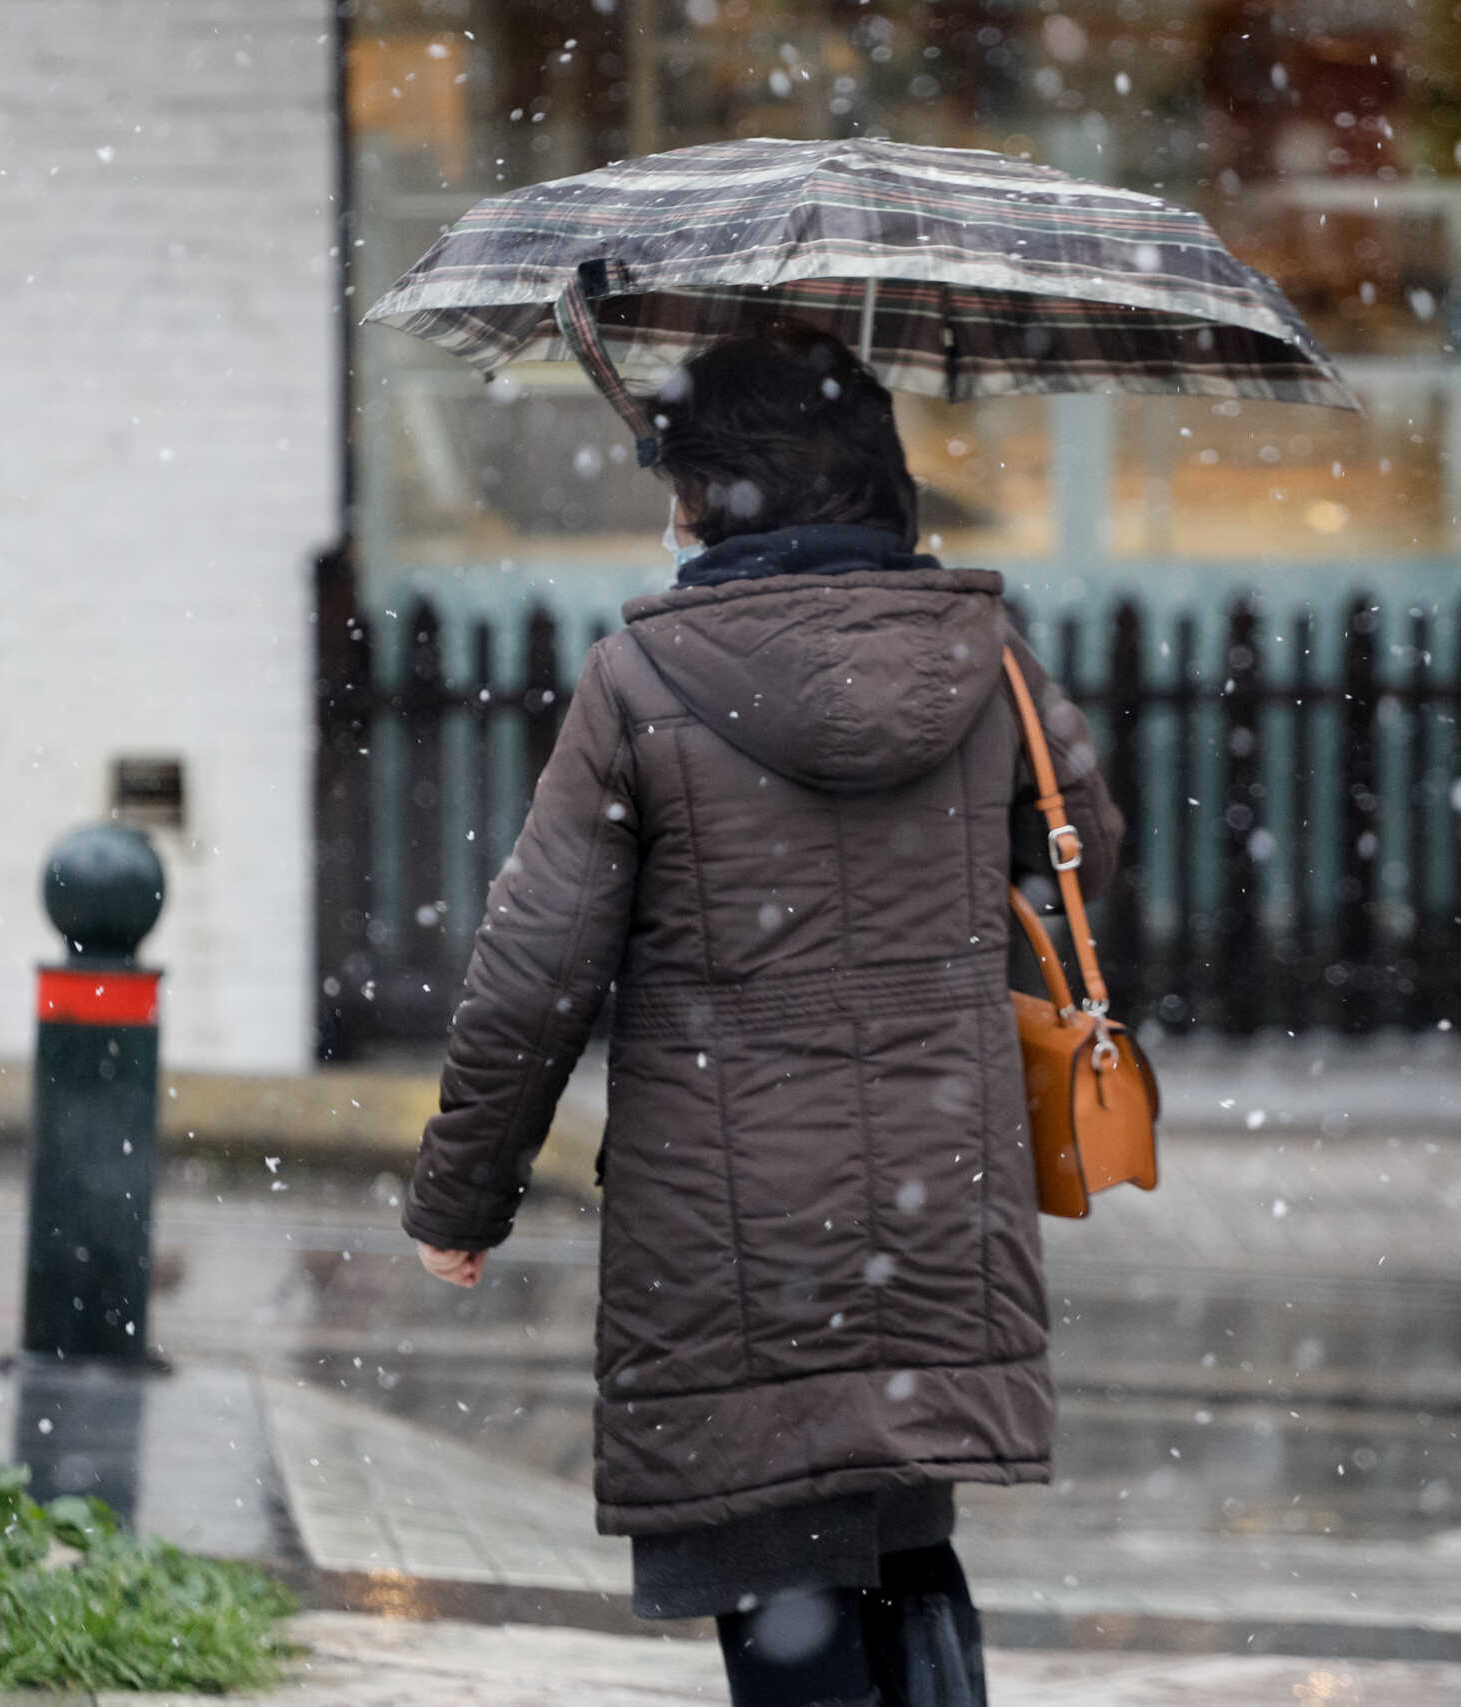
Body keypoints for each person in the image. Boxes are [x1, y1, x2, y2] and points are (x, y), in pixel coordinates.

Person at [401, 325, 1123, 1707]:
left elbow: (535, 968)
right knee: (905, 1545)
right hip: (936, 1193)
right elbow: (1084, 857)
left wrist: (462, 1196)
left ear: (711, 491)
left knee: (785, 1580)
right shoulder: (989, 658)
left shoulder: (644, 680)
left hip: (725, 1230)